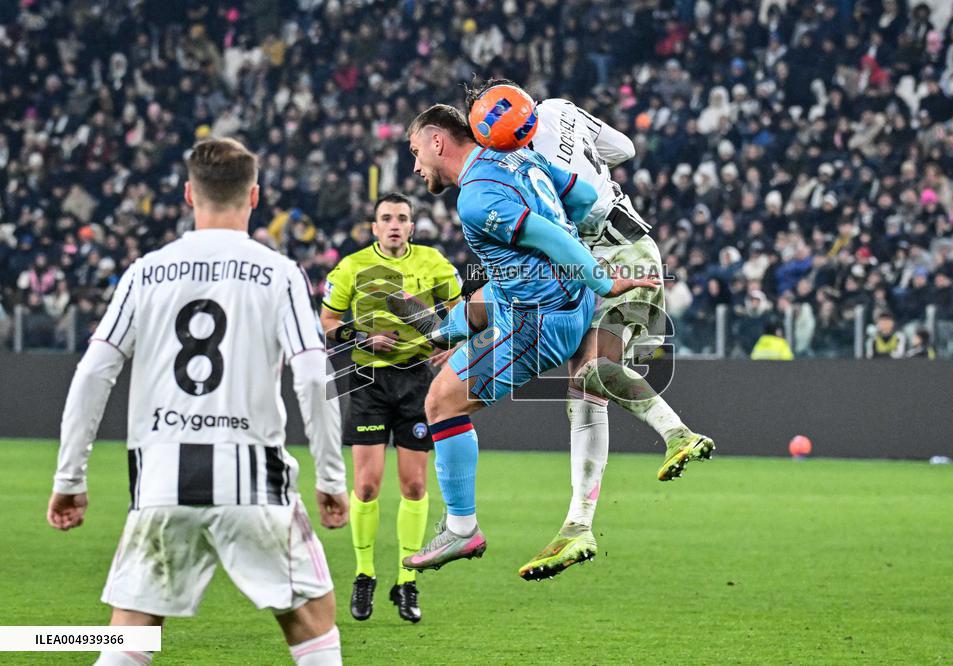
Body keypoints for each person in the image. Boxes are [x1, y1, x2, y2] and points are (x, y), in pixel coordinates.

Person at [46, 138, 350, 666]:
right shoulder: (278, 273)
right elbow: (311, 373)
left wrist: (70, 478)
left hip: (162, 480)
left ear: (189, 193)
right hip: (254, 481)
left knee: (129, 639)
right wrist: (330, 477)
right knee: (313, 626)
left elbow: (93, 372)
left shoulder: (146, 272)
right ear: (254, 196)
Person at [461, 80, 715, 581]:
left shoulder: (516, 165)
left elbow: (551, 226)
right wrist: (594, 172)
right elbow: (625, 148)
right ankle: (578, 526)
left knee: (596, 372)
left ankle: (677, 433)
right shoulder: (559, 109)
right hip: (620, 246)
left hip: (617, 256)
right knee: (583, 390)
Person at [399, 104, 657, 572]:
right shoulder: (515, 156)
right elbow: (579, 195)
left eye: (416, 151)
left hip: (538, 324)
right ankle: (443, 332)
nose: (415, 166)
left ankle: (461, 530)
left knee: (441, 402)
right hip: (564, 298)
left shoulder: (475, 195)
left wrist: (602, 280)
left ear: (438, 141)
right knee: (485, 293)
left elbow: (544, 233)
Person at [319, 192, 460, 623]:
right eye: (387, 218)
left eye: (402, 218)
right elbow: (327, 323)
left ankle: (407, 580)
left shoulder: (434, 263)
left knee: (415, 487)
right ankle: (364, 576)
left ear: (413, 226)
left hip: (418, 381)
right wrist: (362, 338)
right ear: (374, 227)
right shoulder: (351, 267)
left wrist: (452, 345)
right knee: (365, 487)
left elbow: (461, 315)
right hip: (368, 382)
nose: (395, 224)